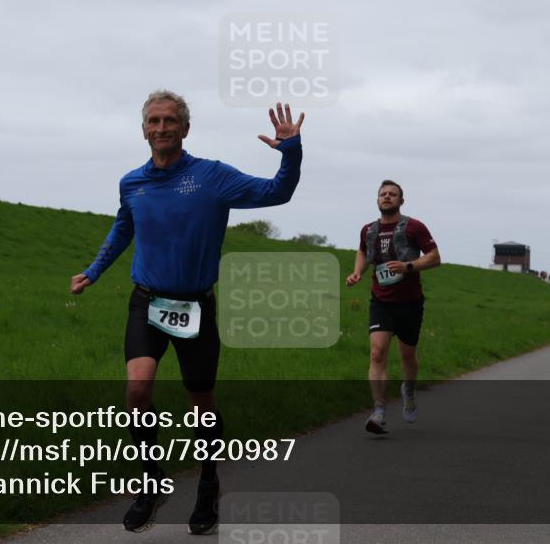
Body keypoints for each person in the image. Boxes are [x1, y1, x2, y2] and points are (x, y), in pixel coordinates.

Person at [70, 91, 304, 534]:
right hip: (147, 301)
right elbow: (124, 228)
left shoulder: (212, 177)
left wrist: (290, 151)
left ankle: (209, 479)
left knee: (202, 404)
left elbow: (278, 193)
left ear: (185, 128)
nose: (162, 128)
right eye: (154, 121)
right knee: (137, 391)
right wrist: (93, 272)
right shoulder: (132, 183)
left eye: (170, 120)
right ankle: (151, 481)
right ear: (144, 130)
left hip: (195, 305)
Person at [346, 180, 441, 434]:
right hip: (381, 302)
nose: (387, 197)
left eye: (392, 194)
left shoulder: (414, 227)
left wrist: (408, 266)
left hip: (410, 302)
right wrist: (357, 273)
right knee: (377, 353)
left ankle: (408, 390)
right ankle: (378, 411)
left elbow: (434, 257)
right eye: (383, 194)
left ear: (401, 200)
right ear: (377, 200)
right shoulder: (368, 230)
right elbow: (363, 251)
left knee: (408, 356)